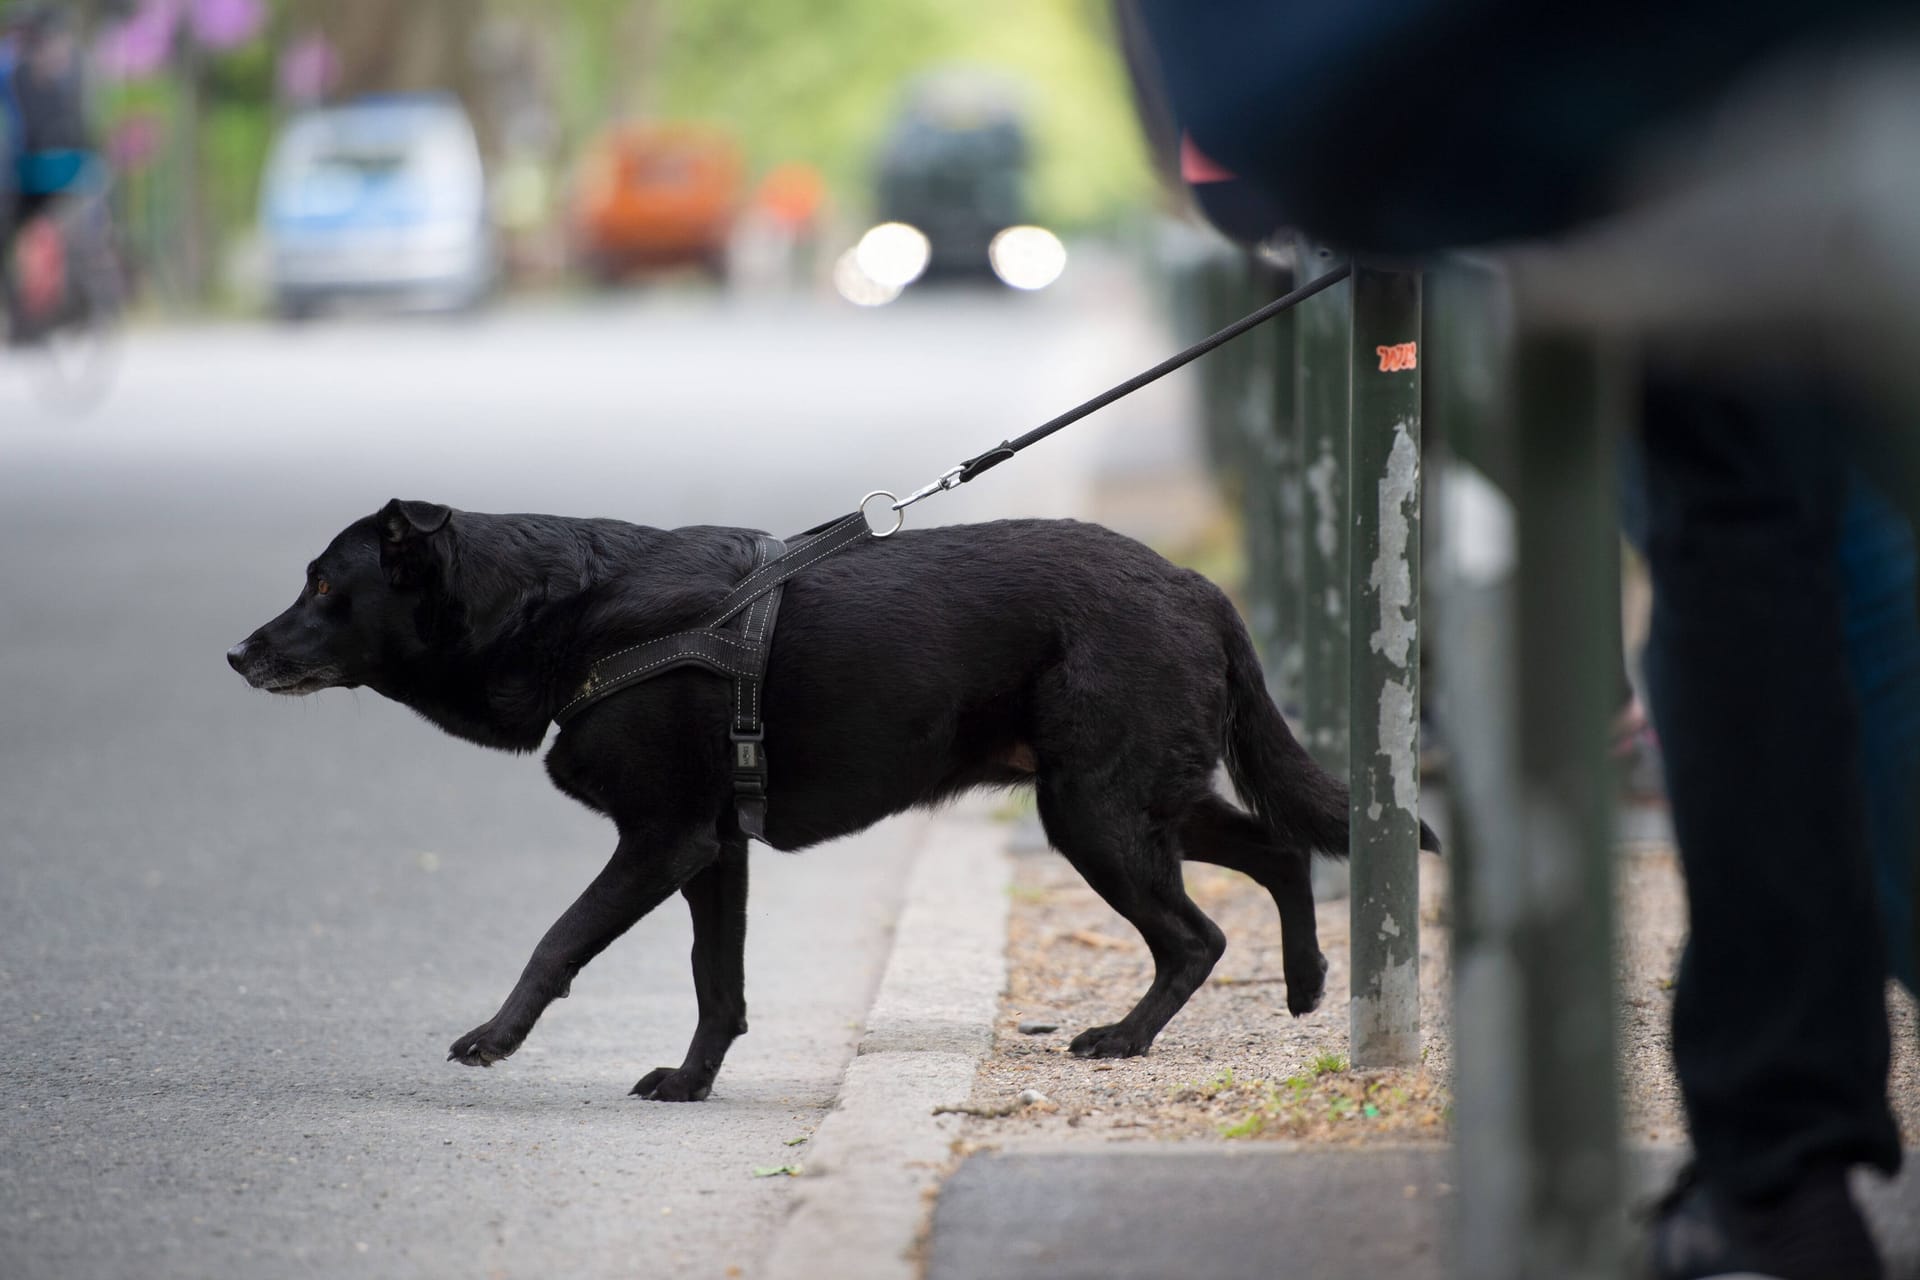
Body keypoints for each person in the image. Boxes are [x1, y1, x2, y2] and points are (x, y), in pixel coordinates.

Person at [1131, 3, 1914, 1276]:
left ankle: (1779, 1171)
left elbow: (1253, 145)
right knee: (1759, 510)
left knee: (1747, 513)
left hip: (1488, 116)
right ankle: (1776, 1161)